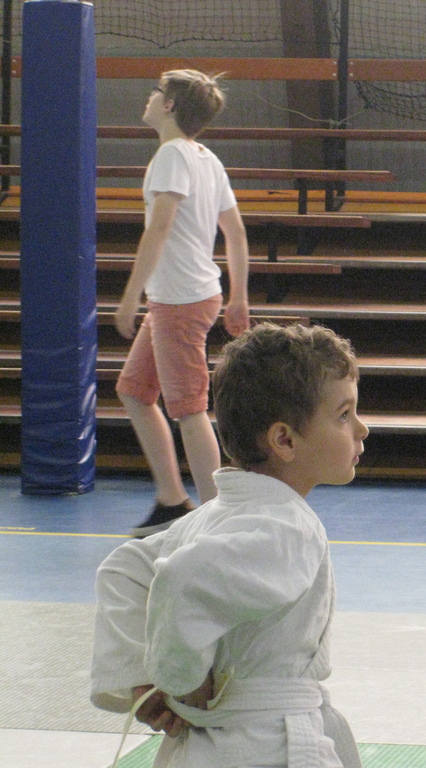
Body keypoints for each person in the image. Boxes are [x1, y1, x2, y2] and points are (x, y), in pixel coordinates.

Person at [91, 322, 368, 768]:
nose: (361, 429)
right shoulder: (289, 529)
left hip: (205, 747)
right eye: (343, 414)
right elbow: (182, 580)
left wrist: (142, 675)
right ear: (284, 440)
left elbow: (124, 570)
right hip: (266, 744)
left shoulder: (216, 515)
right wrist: (179, 679)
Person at [114, 69, 251, 537]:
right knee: (134, 391)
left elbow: (159, 228)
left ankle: (216, 516)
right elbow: (235, 233)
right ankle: (172, 500)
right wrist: (237, 297)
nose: (150, 97)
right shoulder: (206, 158)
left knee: (189, 408)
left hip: (179, 301)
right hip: (187, 297)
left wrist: (130, 296)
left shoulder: (172, 155)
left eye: (156, 92)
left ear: (170, 104)